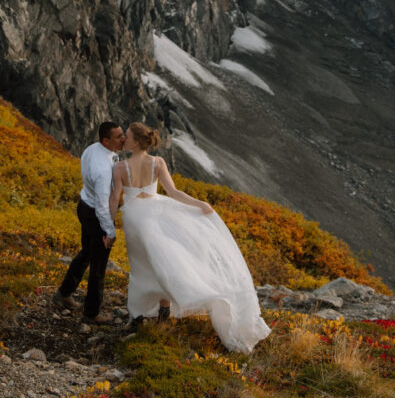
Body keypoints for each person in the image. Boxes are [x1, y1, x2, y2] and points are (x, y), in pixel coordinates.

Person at [109, 122, 271, 353]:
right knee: (162, 261)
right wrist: (199, 204)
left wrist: (108, 226)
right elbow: (174, 192)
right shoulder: (158, 162)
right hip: (156, 213)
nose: (123, 139)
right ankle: (163, 310)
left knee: (142, 267)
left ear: (135, 141)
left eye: (126, 136)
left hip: (136, 219)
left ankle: (138, 316)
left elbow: (115, 198)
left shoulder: (119, 168)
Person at [53, 120, 126, 323]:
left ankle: (64, 294)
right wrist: (109, 232)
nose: (124, 139)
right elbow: (103, 206)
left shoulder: (93, 149)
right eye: (119, 136)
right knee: (99, 265)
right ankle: (91, 314)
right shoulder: (103, 171)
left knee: (86, 253)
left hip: (84, 206)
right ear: (106, 140)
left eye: (123, 133)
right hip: (95, 214)